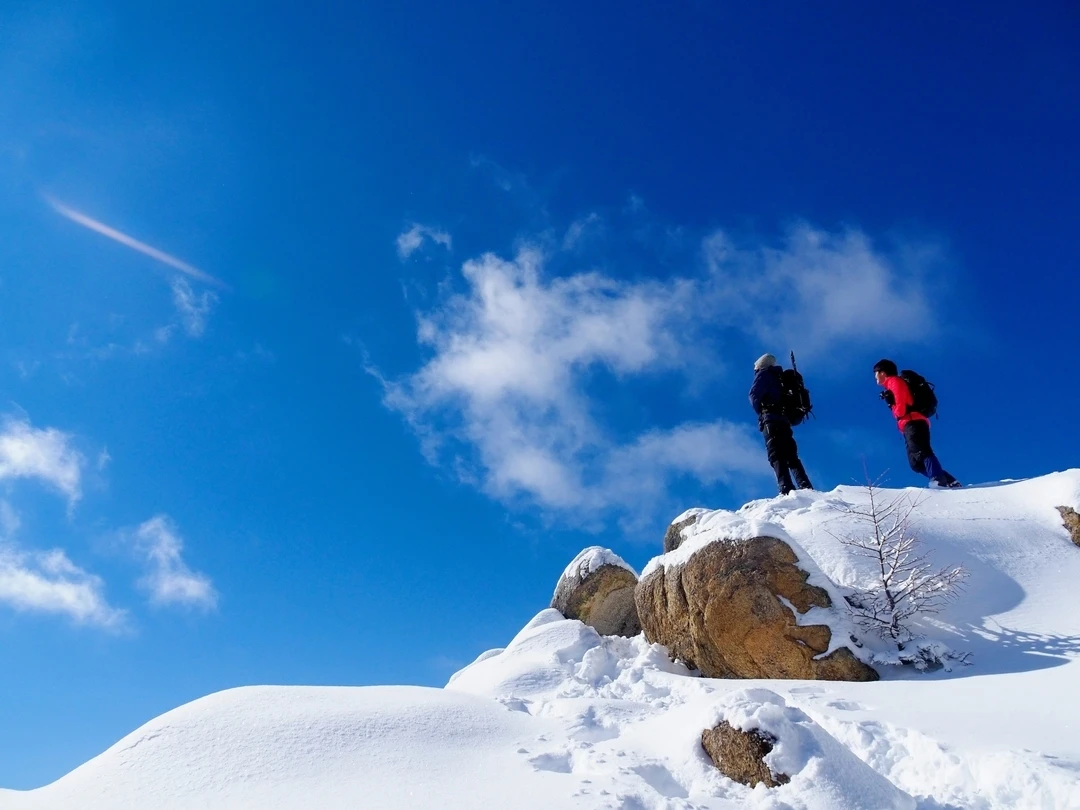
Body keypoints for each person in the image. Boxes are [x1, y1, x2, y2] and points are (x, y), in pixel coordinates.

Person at [873, 359, 961, 488]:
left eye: (875, 372)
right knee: (915, 463)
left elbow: (901, 407)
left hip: (913, 421)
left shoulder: (894, 381)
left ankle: (938, 481)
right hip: (908, 425)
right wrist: (890, 400)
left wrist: (891, 404)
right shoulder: (890, 385)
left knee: (922, 451)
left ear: (883, 372)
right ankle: (950, 481)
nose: (875, 376)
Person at [749, 353, 813, 495]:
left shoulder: (764, 374)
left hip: (770, 419)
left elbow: (754, 395)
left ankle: (786, 487)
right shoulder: (781, 377)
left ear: (761, 364)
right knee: (791, 455)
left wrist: (762, 411)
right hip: (784, 420)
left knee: (776, 454)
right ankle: (805, 486)